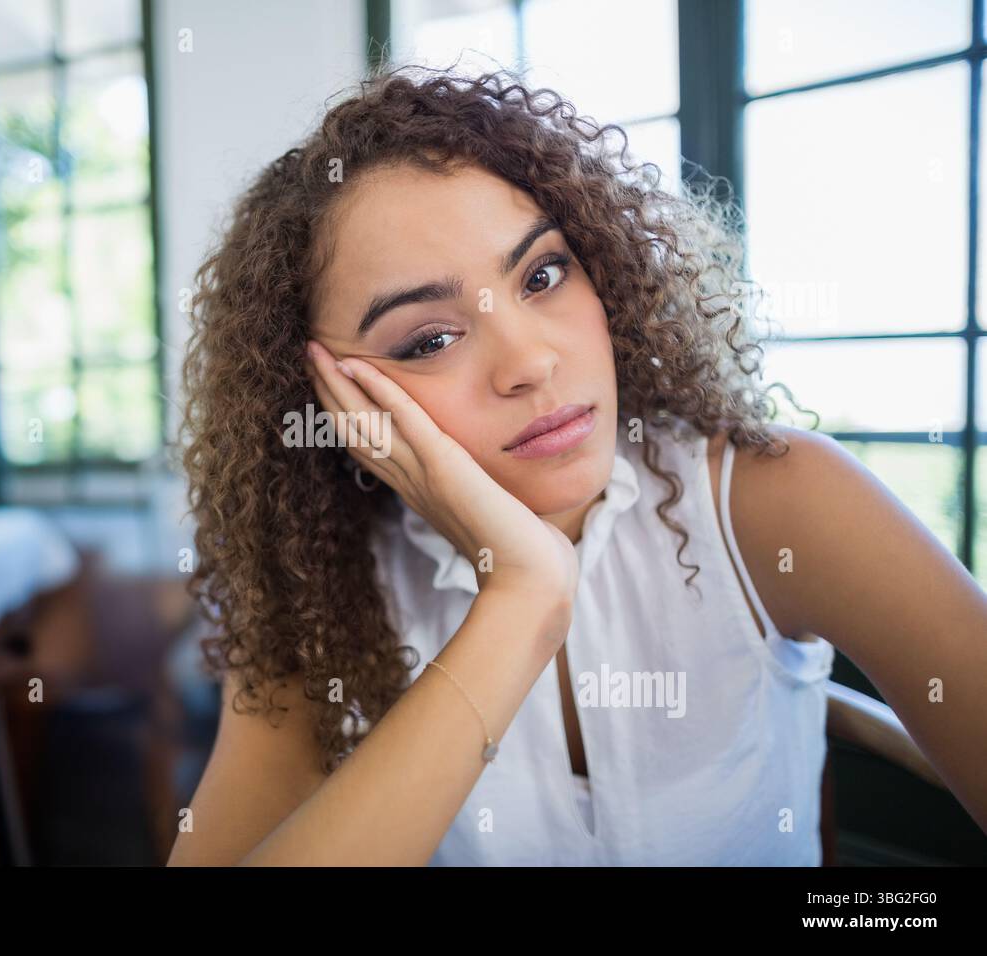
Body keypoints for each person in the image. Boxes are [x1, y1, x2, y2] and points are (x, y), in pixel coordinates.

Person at [166, 65, 987, 866]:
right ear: (324, 399)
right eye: (430, 339)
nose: (530, 361)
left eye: (543, 273)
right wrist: (523, 596)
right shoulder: (321, 585)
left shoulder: (778, 500)